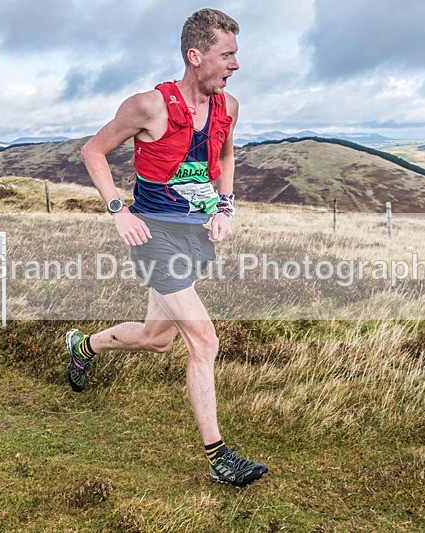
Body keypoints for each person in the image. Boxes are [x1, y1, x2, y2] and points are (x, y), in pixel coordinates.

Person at [65, 8, 267, 488]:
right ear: (196, 56)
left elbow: (224, 156)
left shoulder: (229, 106)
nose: (236, 64)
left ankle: (82, 345)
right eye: (228, 54)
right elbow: (93, 151)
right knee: (205, 340)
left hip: (194, 235)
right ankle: (219, 458)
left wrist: (225, 208)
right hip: (154, 236)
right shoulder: (148, 107)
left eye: (236, 54)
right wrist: (119, 210)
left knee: (158, 339)